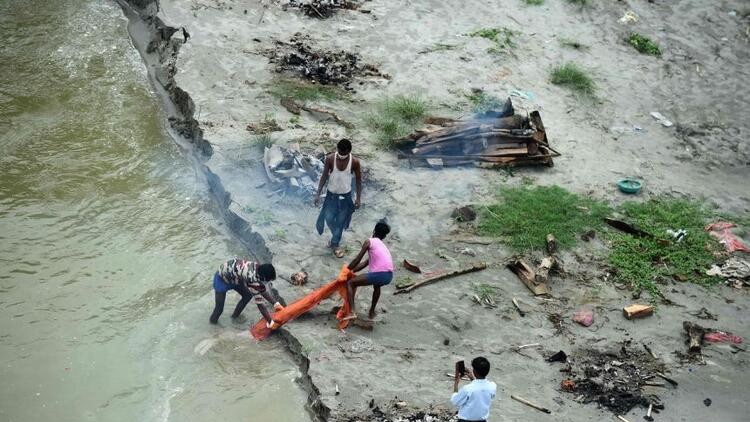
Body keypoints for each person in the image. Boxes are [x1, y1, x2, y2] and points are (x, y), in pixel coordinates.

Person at [314, 138, 362, 258]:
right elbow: (324, 176)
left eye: (344, 153)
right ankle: (336, 235)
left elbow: (358, 180)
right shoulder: (330, 159)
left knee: (340, 222)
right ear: (337, 149)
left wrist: (358, 198)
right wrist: (318, 194)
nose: (341, 155)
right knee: (329, 218)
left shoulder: (354, 162)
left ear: (349, 151)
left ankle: (335, 243)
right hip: (331, 196)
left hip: (345, 197)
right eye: (339, 152)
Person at [209, 259, 285, 327]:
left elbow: (262, 289)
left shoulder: (258, 268)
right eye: (268, 280)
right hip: (222, 279)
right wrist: (270, 322)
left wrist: (276, 304)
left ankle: (234, 317)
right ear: (263, 277)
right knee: (219, 309)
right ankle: (212, 326)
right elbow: (260, 304)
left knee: (247, 296)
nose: (267, 282)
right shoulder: (251, 278)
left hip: (236, 277)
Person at [342, 220, 393, 320]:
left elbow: (357, 259)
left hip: (379, 274)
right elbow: (365, 263)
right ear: (384, 236)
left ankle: (352, 312)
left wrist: (346, 270)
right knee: (377, 286)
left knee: (350, 283)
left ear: (374, 231)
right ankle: (372, 311)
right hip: (389, 276)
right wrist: (352, 271)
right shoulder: (382, 246)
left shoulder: (369, 241)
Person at [451, 357, 497, 422]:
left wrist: (456, 383)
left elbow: (455, 401)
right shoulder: (492, 386)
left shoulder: (467, 389)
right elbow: (480, 390)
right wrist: (473, 379)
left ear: (474, 371)